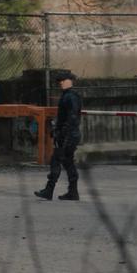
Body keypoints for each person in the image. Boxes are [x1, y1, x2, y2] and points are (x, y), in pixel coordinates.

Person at [35, 71, 82, 201]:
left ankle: (49, 190)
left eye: (63, 80)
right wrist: (58, 129)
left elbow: (71, 117)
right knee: (68, 162)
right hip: (69, 134)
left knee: (57, 160)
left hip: (68, 135)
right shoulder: (69, 96)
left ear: (70, 81)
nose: (61, 83)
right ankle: (72, 192)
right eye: (60, 81)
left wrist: (62, 132)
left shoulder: (70, 97)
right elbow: (67, 117)